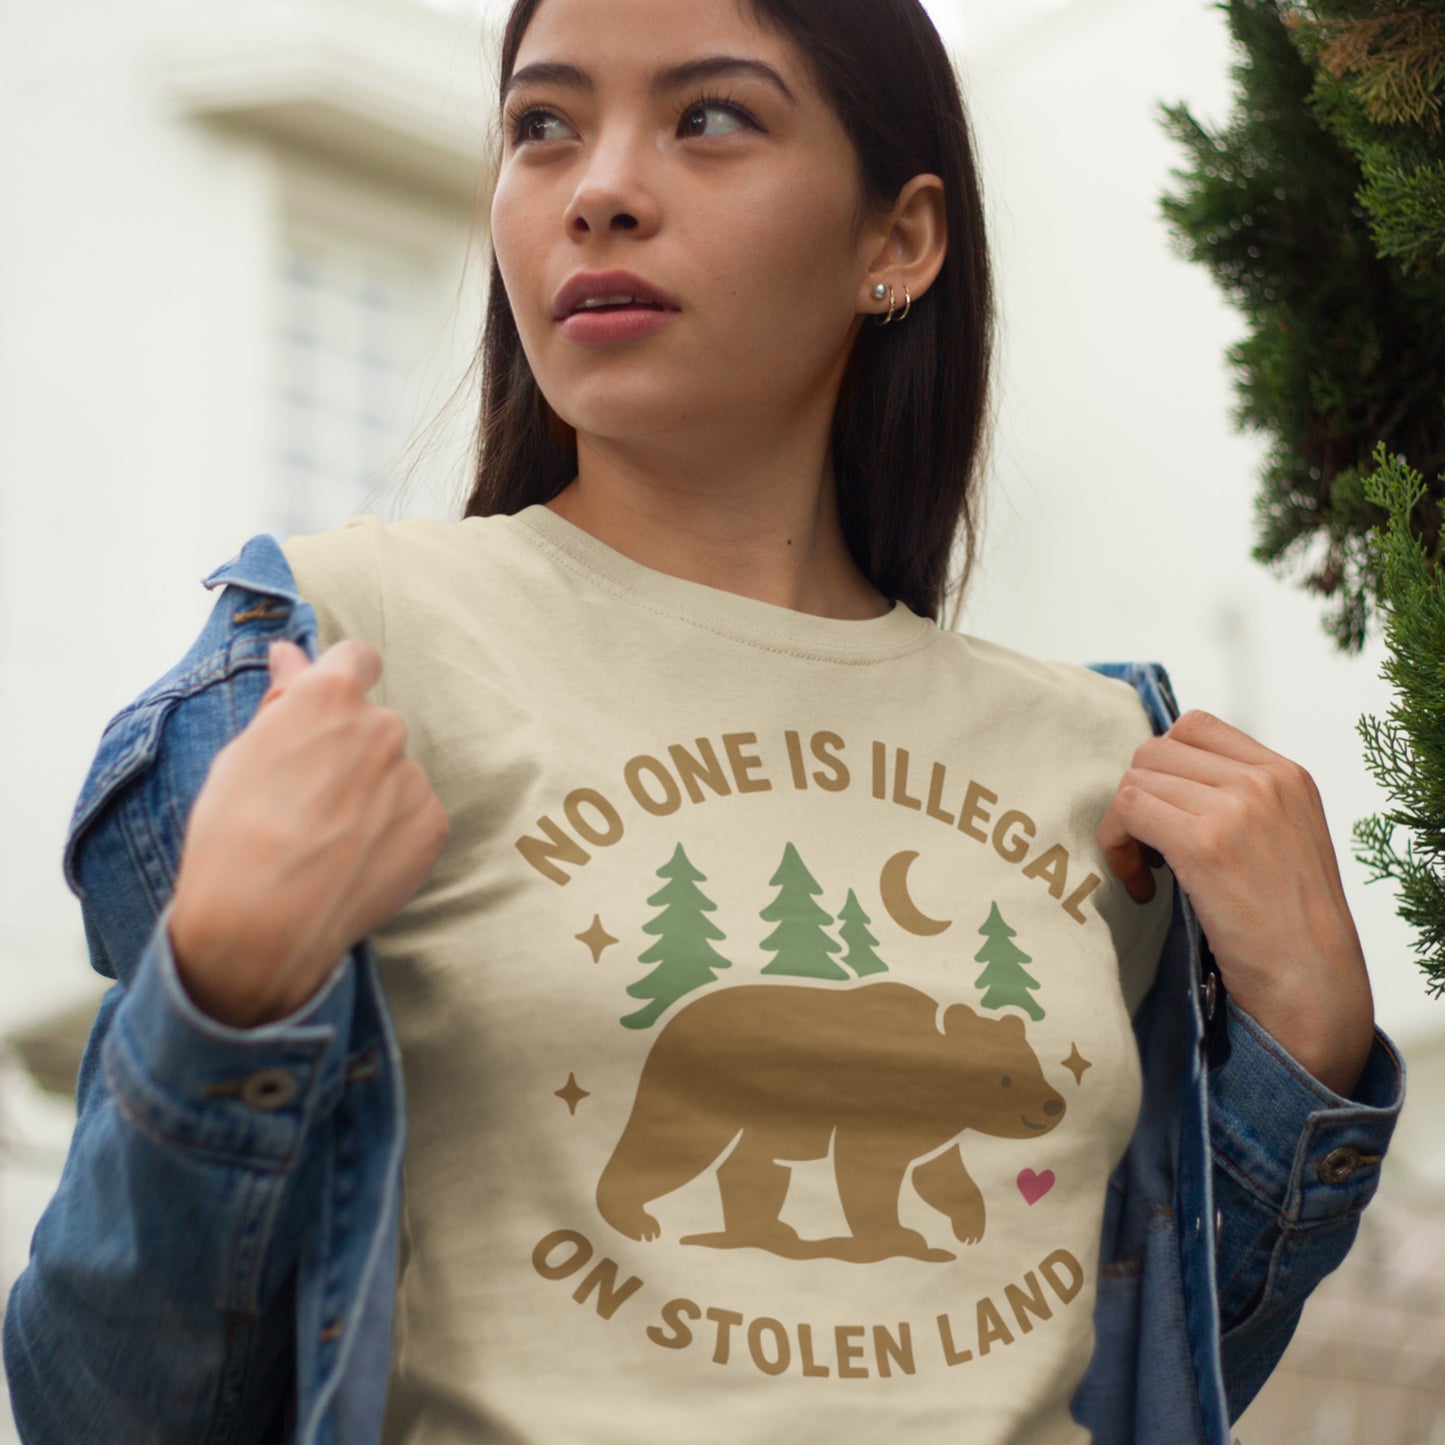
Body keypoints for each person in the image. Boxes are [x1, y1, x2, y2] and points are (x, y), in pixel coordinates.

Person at [4, 0, 1404, 1441]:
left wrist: (1306, 1047)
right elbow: (100, 1405)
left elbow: (1130, 1363)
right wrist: (221, 986)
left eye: (710, 116)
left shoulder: (1103, 761)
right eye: (541, 124)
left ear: (897, 242)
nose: (598, 187)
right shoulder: (340, 656)